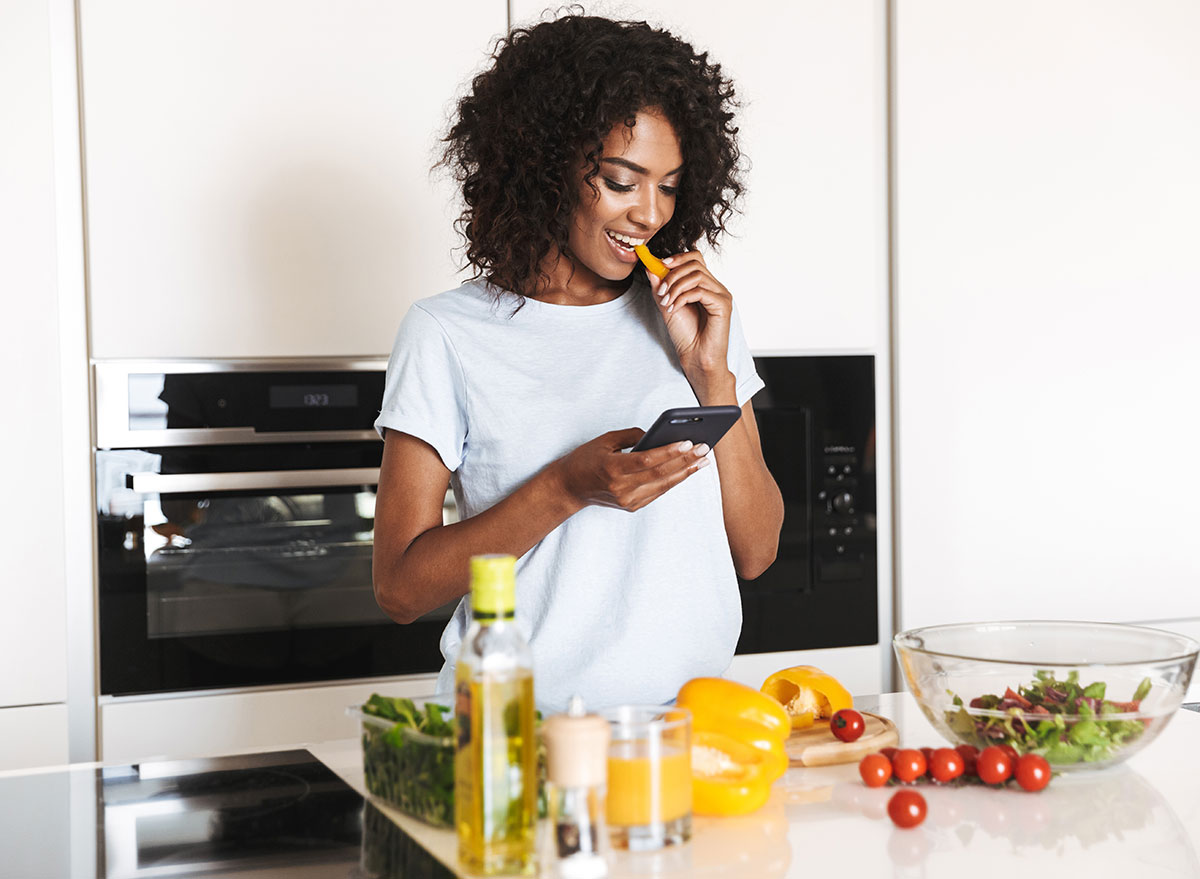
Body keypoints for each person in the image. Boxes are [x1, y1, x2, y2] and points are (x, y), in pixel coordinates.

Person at [372, 13, 783, 711]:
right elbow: (401, 588)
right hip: (516, 737)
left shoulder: (694, 323)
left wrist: (711, 376)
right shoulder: (446, 333)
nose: (650, 213)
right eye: (622, 181)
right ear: (547, 167)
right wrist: (566, 486)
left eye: (670, 186)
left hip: (686, 734)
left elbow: (757, 550)